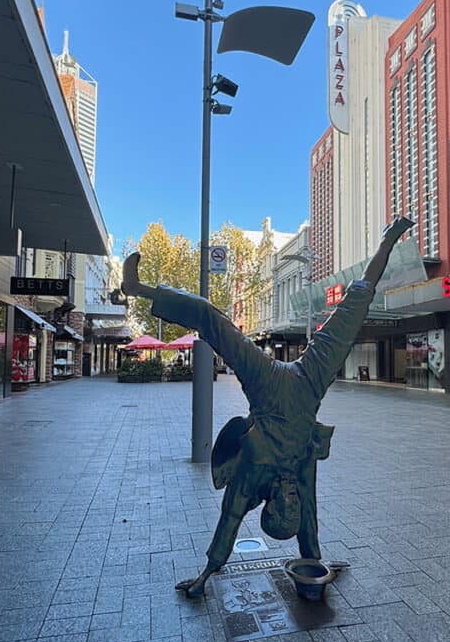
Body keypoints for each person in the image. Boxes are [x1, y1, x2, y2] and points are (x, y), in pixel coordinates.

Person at [121, 216, 414, 596]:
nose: (294, 497)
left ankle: (139, 288)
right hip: (309, 383)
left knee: (213, 320)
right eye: (295, 502)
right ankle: (387, 240)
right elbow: (309, 524)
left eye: (284, 504)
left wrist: (207, 573)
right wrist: (317, 562)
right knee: (353, 307)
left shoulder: (250, 481)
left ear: (269, 503)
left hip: (266, 385)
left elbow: (228, 521)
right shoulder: (301, 473)